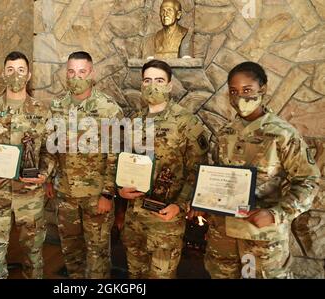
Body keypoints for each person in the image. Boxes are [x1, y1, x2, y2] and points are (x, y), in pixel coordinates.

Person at [195, 61, 320, 279]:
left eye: (247, 90)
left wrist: (275, 214)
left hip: (260, 238)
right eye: (234, 91)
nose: (239, 97)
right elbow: (216, 176)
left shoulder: (282, 134)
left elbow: (308, 181)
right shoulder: (225, 132)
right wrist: (203, 203)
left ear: (262, 89)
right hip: (222, 235)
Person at [118, 59, 209, 278]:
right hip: (135, 219)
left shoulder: (186, 122)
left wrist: (180, 205)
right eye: (147, 80)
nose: (153, 86)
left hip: (165, 220)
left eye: (159, 80)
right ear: (141, 85)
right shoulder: (134, 121)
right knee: (134, 275)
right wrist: (120, 190)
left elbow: (198, 170)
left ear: (169, 85)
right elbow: (124, 163)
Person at [0, 51, 55, 279]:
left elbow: (50, 151)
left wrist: (44, 174)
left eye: (20, 70)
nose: (15, 75)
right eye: (10, 70)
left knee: (34, 255)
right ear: (3, 73)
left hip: (30, 197)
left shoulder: (42, 111)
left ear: (28, 75)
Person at [46, 51, 123, 279]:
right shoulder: (57, 106)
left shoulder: (109, 109)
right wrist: (48, 180)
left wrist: (108, 195)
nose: (76, 77)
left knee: (98, 255)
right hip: (65, 194)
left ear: (92, 74)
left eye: (82, 72)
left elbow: (115, 156)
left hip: (95, 196)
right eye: (71, 72)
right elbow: (51, 147)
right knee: (71, 253)